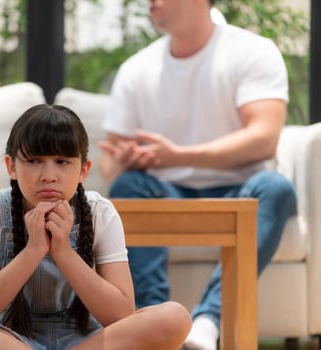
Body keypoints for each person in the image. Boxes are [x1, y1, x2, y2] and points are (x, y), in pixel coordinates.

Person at [98, 1, 297, 350]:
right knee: (128, 185)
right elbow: (109, 164)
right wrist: (127, 161)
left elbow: (265, 139)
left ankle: (207, 321)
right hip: (165, 190)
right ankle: (154, 319)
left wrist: (176, 156)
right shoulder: (136, 69)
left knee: (276, 187)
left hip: (241, 190)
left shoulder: (252, 52)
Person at [0, 104, 192, 350]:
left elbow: (120, 314)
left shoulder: (100, 212)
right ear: (10, 166)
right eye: (34, 161)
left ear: (84, 169)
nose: (49, 176)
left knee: (174, 318)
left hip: (86, 341)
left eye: (62, 162)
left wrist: (63, 252)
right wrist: (33, 250)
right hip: (11, 340)